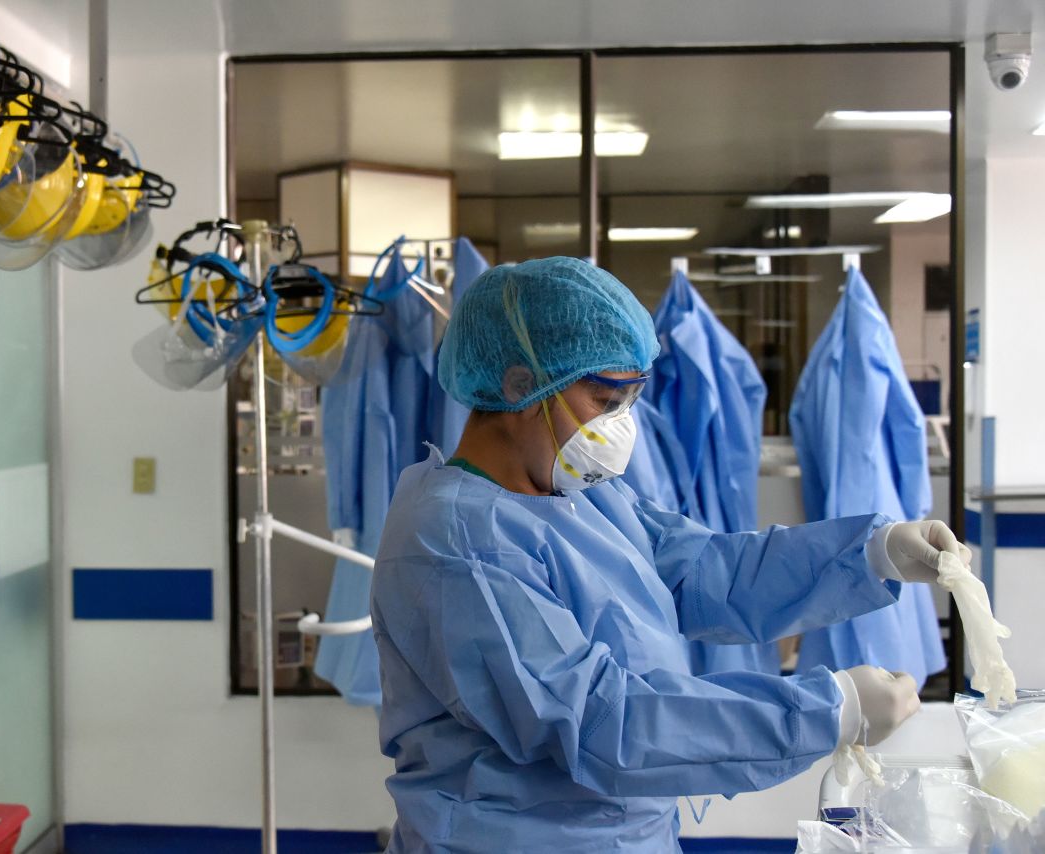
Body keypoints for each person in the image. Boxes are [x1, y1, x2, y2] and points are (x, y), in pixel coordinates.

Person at [368, 257, 970, 853]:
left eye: (631, 401)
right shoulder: (457, 540)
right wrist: (823, 712)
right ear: (521, 384)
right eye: (605, 400)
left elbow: (707, 572)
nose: (619, 426)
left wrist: (870, 553)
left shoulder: (581, 497)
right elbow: (599, 723)